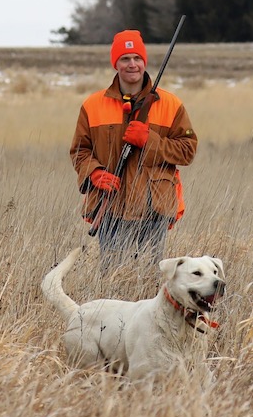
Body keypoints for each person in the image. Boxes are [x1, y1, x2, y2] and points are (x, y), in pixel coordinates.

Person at [70, 29, 198, 269]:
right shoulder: (93, 105)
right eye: (125, 58)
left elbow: (187, 150)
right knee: (112, 275)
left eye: (137, 58)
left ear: (144, 61)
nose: (132, 64)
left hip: (154, 208)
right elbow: (80, 151)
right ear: (115, 63)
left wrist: (149, 140)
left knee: (150, 278)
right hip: (111, 207)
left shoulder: (170, 104)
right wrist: (95, 173)